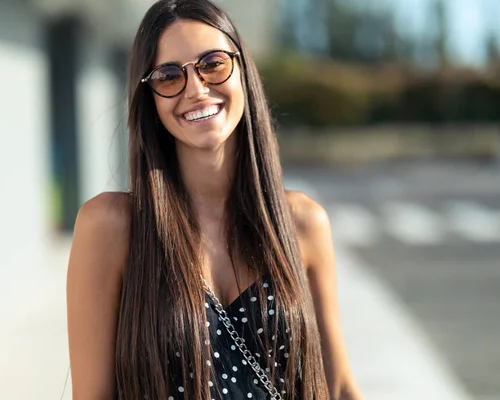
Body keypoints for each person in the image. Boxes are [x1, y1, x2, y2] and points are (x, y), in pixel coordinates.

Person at [66, 0, 362, 399]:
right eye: (169, 76)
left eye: (213, 64)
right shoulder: (111, 225)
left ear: (243, 71)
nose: (196, 89)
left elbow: (339, 386)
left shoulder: (302, 223)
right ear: (150, 98)